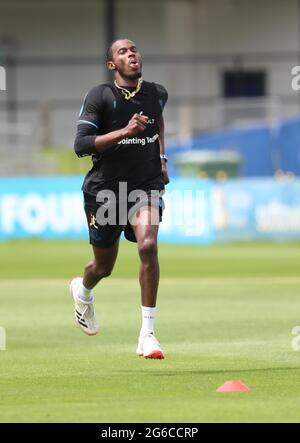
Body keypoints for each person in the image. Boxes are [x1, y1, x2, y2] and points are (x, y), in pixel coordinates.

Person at [71, 38, 169, 359]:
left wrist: (162, 158)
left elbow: (158, 122)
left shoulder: (157, 93)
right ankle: (83, 291)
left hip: (146, 186)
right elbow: (81, 144)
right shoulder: (101, 96)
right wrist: (124, 133)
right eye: (122, 52)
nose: (131, 54)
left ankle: (148, 335)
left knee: (148, 245)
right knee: (103, 266)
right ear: (113, 64)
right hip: (106, 191)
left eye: (134, 49)